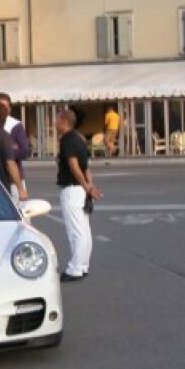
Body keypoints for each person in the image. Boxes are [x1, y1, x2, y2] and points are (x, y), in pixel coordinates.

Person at [55, 106, 102, 282]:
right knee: (84, 230)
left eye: (57, 119)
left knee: (76, 231)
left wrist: (86, 186)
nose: (55, 122)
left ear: (64, 121)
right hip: (80, 189)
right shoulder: (79, 139)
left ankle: (75, 268)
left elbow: (74, 165)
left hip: (72, 189)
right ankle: (83, 265)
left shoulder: (67, 140)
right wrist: (89, 186)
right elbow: (86, 167)